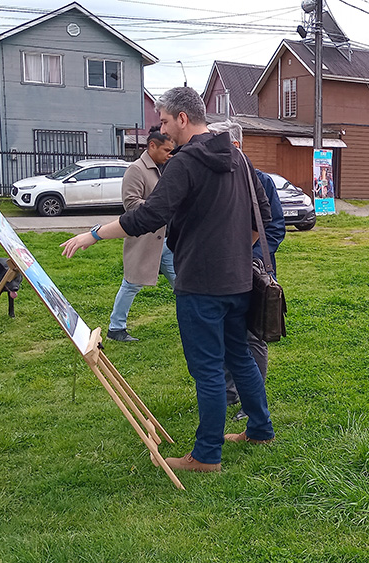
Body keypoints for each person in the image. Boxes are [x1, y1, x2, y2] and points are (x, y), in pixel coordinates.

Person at [60, 87, 275, 473]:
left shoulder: (186, 161)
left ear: (182, 118)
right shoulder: (238, 157)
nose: (161, 129)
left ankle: (206, 456)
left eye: (163, 121)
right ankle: (260, 429)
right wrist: (235, 253)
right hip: (239, 279)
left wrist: (93, 234)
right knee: (239, 356)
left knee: (208, 369)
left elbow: (148, 216)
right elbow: (264, 216)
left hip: (201, 286)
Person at [208, 120, 286, 421]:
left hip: (253, 272)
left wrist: (247, 257)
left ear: (235, 146)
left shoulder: (261, 181)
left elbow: (274, 228)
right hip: (221, 273)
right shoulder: (213, 180)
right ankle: (230, 392)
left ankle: (252, 400)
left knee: (253, 336)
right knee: (225, 333)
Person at [106, 126, 176, 342]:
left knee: (183, 283)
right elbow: (130, 204)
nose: (170, 154)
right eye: (166, 150)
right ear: (152, 146)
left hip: (167, 241)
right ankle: (116, 328)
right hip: (145, 239)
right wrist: (160, 208)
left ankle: (195, 322)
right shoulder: (136, 169)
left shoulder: (165, 168)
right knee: (131, 283)